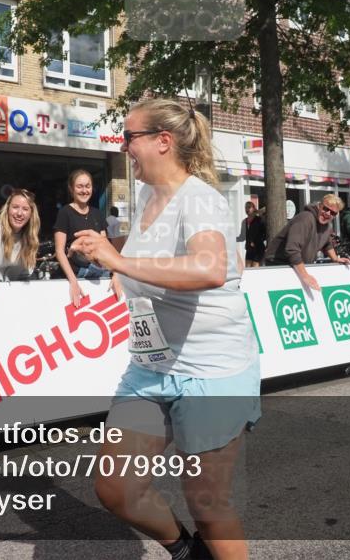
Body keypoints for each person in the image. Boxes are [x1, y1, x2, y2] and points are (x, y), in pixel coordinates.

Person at [69, 99, 259, 560]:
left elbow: (211, 268)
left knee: (207, 504)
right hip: (152, 367)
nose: (123, 146)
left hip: (211, 372)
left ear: (162, 141)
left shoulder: (200, 199)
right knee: (116, 488)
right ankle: (185, 551)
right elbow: (152, 255)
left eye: (129, 137)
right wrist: (104, 247)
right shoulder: (146, 196)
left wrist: (117, 260)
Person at [264, 194, 350, 291]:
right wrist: (305, 276)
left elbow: (327, 243)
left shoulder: (327, 226)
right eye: (325, 209)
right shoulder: (305, 218)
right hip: (278, 265)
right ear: (319, 205)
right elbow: (292, 249)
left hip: (296, 265)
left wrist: (335, 258)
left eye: (333, 213)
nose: (328, 214)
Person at [54, 169, 109, 307]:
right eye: (79, 186)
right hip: (78, 273)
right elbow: (60, 251)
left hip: (100, 273)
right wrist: (73, 281)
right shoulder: (65, 212)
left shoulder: (98, 214)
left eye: (87, 186)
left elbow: (106, 247)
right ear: (71, 189)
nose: (84, 190)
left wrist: (116, 275)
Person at [237, 201, 267, 268]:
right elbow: (242, 237)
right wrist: (232, 238)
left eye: (248, 207)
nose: (247, 209)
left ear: (253, 208)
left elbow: (265, 234)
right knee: (247, 269)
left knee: (255, 269)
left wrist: (257, 241)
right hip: (249, 250)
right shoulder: (244, 222)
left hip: (258, 249)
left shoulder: (259, 220)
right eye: (245, 208)